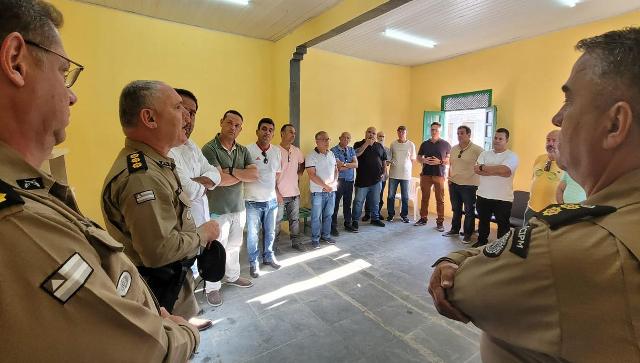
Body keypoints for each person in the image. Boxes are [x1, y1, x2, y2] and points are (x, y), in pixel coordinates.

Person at [0, 2, 199, 360]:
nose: (72, 94)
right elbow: (139, 348)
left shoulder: (30, 192)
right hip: (163, 314)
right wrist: (185, 334)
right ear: (16, 60)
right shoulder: (17, 219)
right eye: (63, 73)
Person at [429, 27, 640, 362]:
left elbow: (463, 291)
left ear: (615, 124)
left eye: (569, 100)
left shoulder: (569, 247)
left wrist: (451, 261)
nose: (557, 117)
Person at [102, 81, 220, 331]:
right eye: (179, 108)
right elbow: (158, 252)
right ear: (150, 118)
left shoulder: (158, 163)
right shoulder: (142, 176)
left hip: (173, 283)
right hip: (160, 290)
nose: (187, 117)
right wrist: (204, 233)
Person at [201, 110, 256, 306]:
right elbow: (218, 181)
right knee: (217, 249)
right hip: (217, 210)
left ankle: (232, 276)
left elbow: (254, 175)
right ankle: (212, 287)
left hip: (238, 207)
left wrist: (230, 171)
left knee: (234, 246)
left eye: (237, 125)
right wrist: (238, 175)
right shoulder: (210, 149)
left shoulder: (242, 150)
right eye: (229, 123)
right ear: (221, 122)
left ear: (241, 128)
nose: (233, 127)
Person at [244, 118, 282, 278]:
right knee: (253, 235)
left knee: (270, 232)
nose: (267, 132)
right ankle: (254, 262)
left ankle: (268, 256)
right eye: (264, 129)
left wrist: (275, 191)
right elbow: (243, 173)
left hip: (271, 201)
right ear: (257, 131)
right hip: (252, 201)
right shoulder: (247, 150)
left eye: (270, 130)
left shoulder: (276, 152)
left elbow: (278, 173)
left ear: (273, 134)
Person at [472, 128, 519, 247]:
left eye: (500, 139)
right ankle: (482, 242)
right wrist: (497, 171)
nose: (497, 141)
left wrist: (485, 168)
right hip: (483, 195)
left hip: (503, 198)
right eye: (495, 138)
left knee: (503, 224)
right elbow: (477, 169)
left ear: (506, 140)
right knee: (483, 222)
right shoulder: (484, 153)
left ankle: (501, 247)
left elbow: (506, 170)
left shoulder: (512, 156)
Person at [443, 126, 484, 243]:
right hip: (454, 184)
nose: (459, 135)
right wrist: (449, 178)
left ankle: (467, 234)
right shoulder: (454, 148)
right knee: (456, 209)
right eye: (458, 133)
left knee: (469, 211)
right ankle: (454, 229)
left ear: (469, 135)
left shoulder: (477, 149)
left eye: (462, 133)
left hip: (469, 185)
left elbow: (483, 165)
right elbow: (451, 165)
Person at [415, 122, 451, 232]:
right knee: (424, 198)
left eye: (436, 129)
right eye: (432, 129)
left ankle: (440, 222)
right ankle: (423, 218)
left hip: (439, 175)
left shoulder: (446, 144)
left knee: (440, 199)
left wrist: (439, 161)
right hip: (426, 174)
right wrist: (423, 160)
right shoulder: (425, 144)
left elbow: (449, 160)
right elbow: (418, 157)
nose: (434, 131)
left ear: (440, 131)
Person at [275, 124, 306, 252]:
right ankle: (273, 247)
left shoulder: (296, 150)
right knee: (276, 223)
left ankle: (296, 242)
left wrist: (299, 173)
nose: (293, 135)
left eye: (294, 132)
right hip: (279, 195)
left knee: (294, 220)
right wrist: (276, 192)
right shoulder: (275, 150)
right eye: (290, 132)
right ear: (282, 133)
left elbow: (302, 163)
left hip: (294, 194)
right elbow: (271, 173)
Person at [306, 131, 338, 248]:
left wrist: (333, 183)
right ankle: (315, 239)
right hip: (318, 192)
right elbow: (312, 175)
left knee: (328, 215)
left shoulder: (331, 154)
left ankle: (326, 235)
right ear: (317, 141)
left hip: (331, 191)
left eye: (328, 139)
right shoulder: (311, 156)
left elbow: (336, 170)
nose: (327, 142)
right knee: (316, 217)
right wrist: (326, 186)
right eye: (323, 139)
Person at [351, 127, 387, 230]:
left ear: (376, 135)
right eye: (369, 132)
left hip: (376, 180)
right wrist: (366, 144)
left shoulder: (379, 146)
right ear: (365, 133)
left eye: (373, 133)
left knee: (375, 201)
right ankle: (355, 220)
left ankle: (375, 219)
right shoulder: (358, 144)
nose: (371, 134)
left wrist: (384, 172)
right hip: (362, 180)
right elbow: (356, 154)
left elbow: (384, 160)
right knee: (358, 202)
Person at [524, 130, 562, 223]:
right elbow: (534, 179)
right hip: (531, 209)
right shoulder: (539, 158)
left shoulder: (566, 163)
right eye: (548, 140)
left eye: (554, 140)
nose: (550, 143)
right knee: (525, 236)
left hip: (551, 212)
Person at [386, 125, 416, 223]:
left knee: (405, 196)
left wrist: (409, 169)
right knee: (391, 195)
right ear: (397, 132)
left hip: (406, 175)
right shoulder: (393, 144)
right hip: (393, 174)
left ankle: (404, 215)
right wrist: (389, 162)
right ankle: (390, 215)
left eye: (403, 132)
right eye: (399, 132)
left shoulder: (411, 144)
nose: (401, 134)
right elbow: (390, 157)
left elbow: (413, 159)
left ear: (406, 133)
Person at [330, 132, 358, 235]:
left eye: (348, 138)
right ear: (339, 138)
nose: (346, 140)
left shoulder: (351, 150)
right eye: (344, 137)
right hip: (339, 181)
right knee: (335, 204)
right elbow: (338, 167)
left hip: (350, 181)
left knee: (347, 204)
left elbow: (356, 164)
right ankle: (333, 226)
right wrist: (349, 165)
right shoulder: (333, 150)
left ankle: (348, 224)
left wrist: (345, 164)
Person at [364, 131, 390, 220]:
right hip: (369, 177)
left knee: (379, 195)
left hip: (382, 176)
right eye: (379, 136)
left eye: (383, 136)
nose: (381, 138)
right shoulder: (371, 146)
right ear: (376, 137)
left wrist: (384, 173)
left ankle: (377, 214)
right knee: (368, 196)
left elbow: (386, 162)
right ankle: (367, 214)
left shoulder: (387, 149)